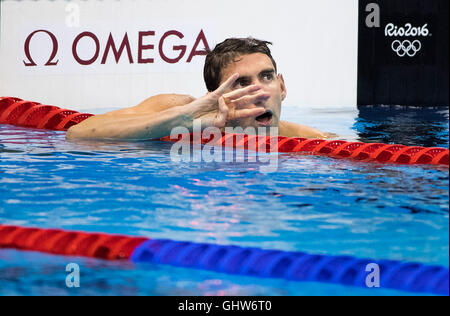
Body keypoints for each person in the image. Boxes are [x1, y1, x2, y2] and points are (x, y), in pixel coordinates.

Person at [66, 37, 330, 140]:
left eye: (267, 77)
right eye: (241, 83)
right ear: (216, 97)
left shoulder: (310, 140)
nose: (259, 91)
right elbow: (79, 134)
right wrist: (181, 120)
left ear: (282, 86)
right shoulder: (174, 109)